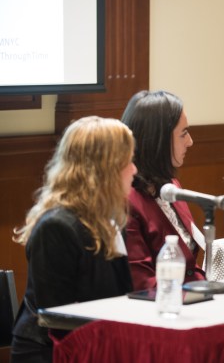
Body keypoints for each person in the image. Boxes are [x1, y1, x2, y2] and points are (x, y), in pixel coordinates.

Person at [11, 116, 136, 362]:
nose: (135, 169)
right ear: (104, 169)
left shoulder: (108, 220)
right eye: (128, 161)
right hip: (49, 352)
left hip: (94, 345)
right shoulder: (56, 227)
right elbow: (58, 318)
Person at [121, 90, 206, 290]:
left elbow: (190, 265)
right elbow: (142, 283)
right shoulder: (126, 201)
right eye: (183, 134)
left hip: (192, 296)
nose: (191, 141)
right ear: (157, 140)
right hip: (161, 307)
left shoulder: (171, 185)